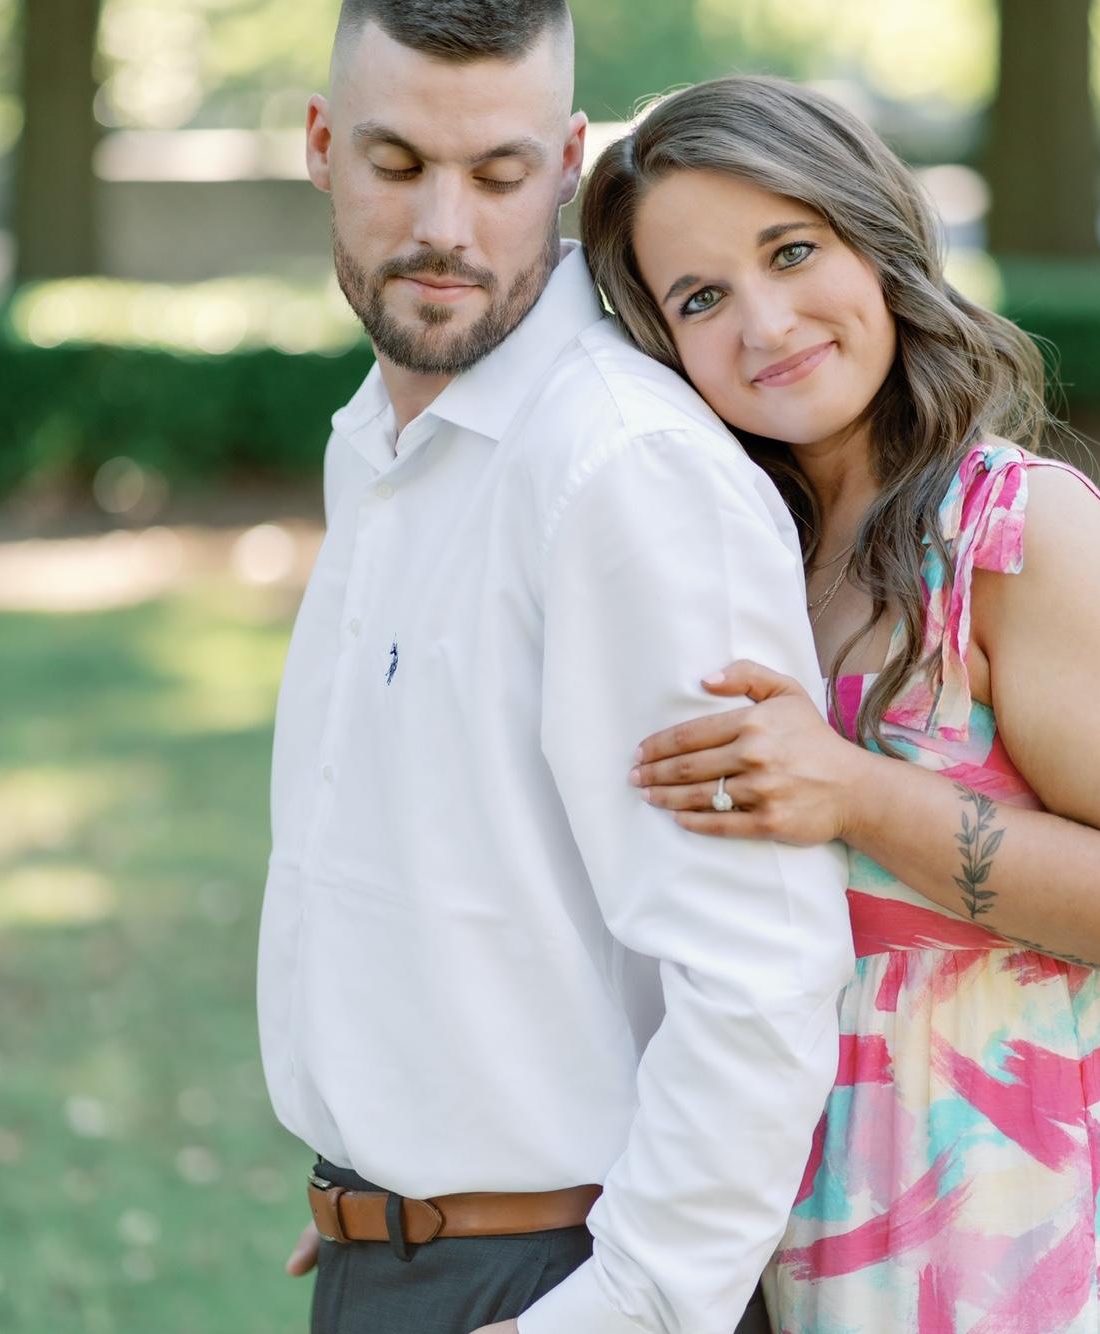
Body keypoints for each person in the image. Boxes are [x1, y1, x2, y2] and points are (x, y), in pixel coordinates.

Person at [581, 75, 1100, 1332]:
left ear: (873, 239)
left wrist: (857, 791)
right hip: (799, 1230)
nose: (765, 322)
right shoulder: (737, 561)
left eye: (791, 250)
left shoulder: (1013, 530)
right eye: (700, 297)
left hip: (1030, 1241)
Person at [258, 9, 855, 1334]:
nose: (446, 229)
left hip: (564, 1281)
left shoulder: (619, 467)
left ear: (570, 162)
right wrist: (384, 1163)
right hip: (401, 1254)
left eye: (499, 173)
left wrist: (620, 1306)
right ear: (320, 144)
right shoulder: (381, 437)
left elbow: (761, 970)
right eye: (397, 163)